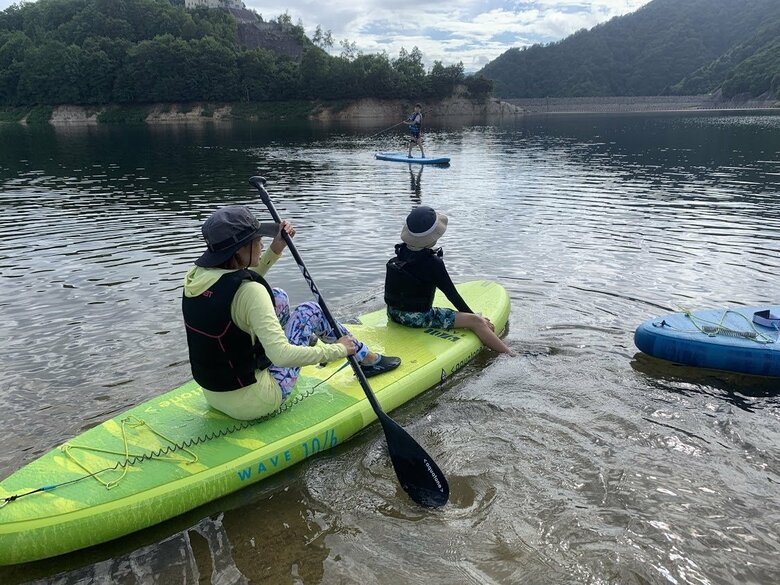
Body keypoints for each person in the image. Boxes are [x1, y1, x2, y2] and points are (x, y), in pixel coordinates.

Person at [182, 205, 401, 420]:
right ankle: (364, 357)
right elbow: (282, 356)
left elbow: (235, 284)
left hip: (214, 395)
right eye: (257, 241)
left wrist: (275, 250)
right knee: (310, 311)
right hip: (258, 401)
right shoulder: (250, 292)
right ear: (239, 250)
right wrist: (338, 350)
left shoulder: (196, 277)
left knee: (277, 297)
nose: (262, 244)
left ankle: (310, 340)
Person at [384, 206, 513, 354]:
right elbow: (452, 295)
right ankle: (510, 355)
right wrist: (475, 317)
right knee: (476, 322)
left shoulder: (400, 253)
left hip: (393, 314)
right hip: (416, 320)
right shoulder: (433, 263)